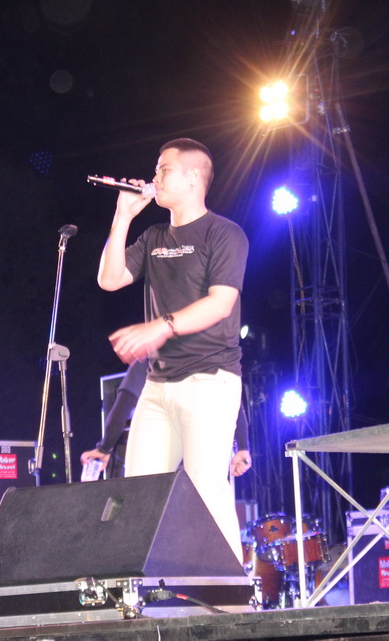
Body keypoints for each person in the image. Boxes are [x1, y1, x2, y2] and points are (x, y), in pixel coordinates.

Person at [97, 138, 249, 562]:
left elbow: (221, 303)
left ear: (194, 176)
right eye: (156, 169)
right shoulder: (153, 237)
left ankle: (232, 594)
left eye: (164, 169)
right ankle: (147, 590)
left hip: (209, 379)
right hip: (158, 385)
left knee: (206, 492)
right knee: (139, 493)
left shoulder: (224, 233)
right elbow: (109, 279)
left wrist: (160, 327)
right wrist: (123, 216)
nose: (155, 177)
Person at [80, 358, 253, 478]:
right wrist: (243, 446)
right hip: (202, 443)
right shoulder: (207, 352)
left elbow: (121, 410)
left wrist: (104, 448)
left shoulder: (149, 357)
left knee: (144, 493)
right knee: (208, 500)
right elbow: (232, 399)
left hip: (163, 456)